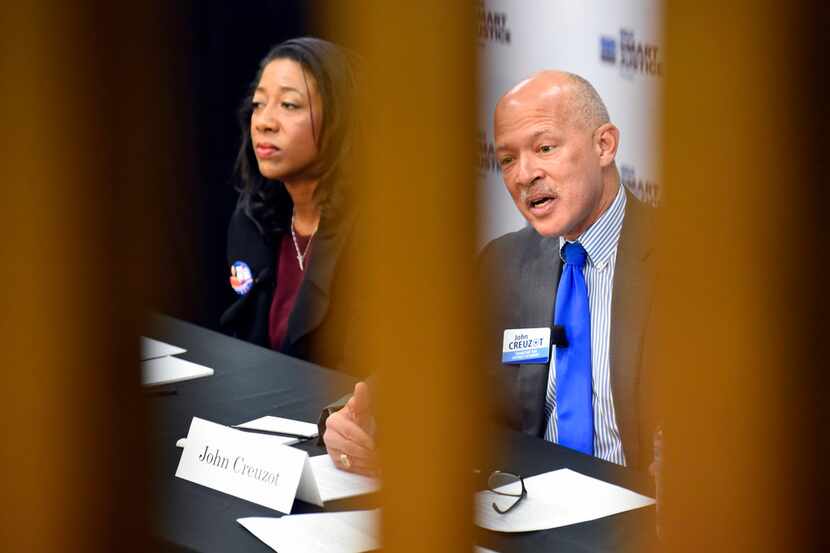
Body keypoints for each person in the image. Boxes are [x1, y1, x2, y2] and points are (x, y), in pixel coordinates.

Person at [324, 70, 658, 472]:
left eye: (545, 147)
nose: (524, 174)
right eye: (507, 159)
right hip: (530, 504)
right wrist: (357, 417)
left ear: (604, 145)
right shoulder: (505, 262)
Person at [221, 38, 362, 371]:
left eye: (289, 105)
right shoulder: (252, 219)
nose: (264, 122)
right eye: (258, 104)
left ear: (339, 120)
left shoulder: (374, 235)